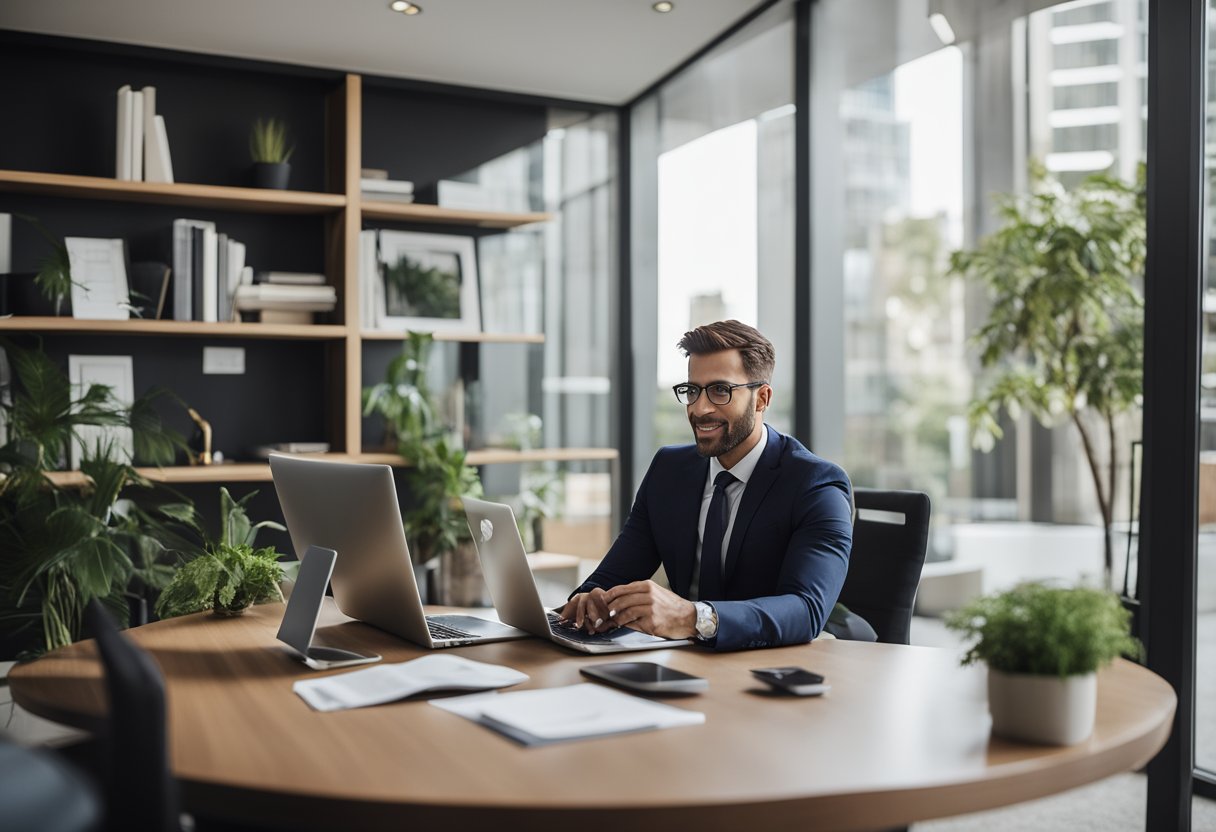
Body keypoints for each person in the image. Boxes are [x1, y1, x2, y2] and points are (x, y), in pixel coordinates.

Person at [558, 320, 853, 651]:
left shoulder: (815, 485)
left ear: (761, 399)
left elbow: (805, 610)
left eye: (720, 390)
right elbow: (611, 578)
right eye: (693, 390)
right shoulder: (669, 470)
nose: (700, 408)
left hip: (778, 664)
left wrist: (691, 618)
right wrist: (589, 600)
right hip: (688, 661)